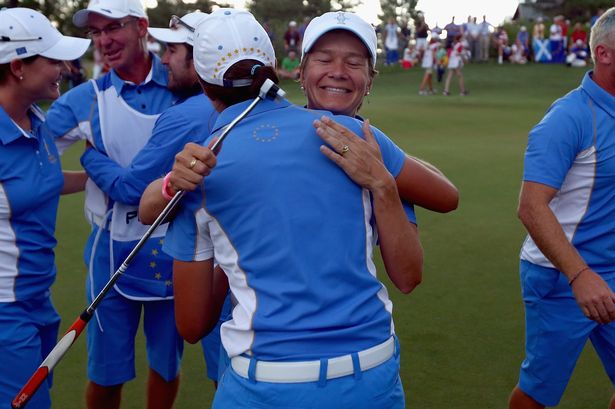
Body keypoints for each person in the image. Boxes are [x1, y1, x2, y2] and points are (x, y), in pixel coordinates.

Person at [160, 8, 422, 409]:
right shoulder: (356, 137)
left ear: (201, 81)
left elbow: (192, 325)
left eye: (354, 62)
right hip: (370, 378)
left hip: (265, 387)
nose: (339, 70)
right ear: (279, 69)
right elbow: (416, 261)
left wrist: (239, 256)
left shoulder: (195, 173)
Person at [44, 0, 183, 408]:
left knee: (166, 366)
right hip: (110, 250)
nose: (104, 41)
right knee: (105, 373)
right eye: (96, 33)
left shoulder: (185, 86)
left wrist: (92, 160)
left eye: (113, 28)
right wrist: (87, 177)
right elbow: (29, 155)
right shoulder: (83, 99)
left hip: (176, 247)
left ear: (142, 26)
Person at [509, 8, 615, 409]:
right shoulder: (569, 118)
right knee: (539, 392)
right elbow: (531, 206)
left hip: (610, 267)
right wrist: (580, 275)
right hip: (562, 277)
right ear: (603, 54)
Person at [0, 7, 90, 409]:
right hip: (4, 312)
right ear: (18, 66)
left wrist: (105, 180)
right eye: (53, 60)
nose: (65, 68)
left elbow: (42, 184)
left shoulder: (36, 122)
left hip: (38, 300)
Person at [147, 11, 229, 388]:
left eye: (173, 50)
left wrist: (91, 156)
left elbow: (137, 194)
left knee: (231, 383)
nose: (163, 59)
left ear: (202, 60)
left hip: (220, 281)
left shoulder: (183, 115)